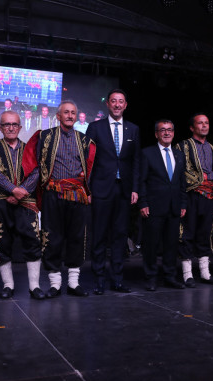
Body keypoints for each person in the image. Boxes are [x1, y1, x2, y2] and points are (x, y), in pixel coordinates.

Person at [32, 100, 95, 298]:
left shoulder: (85, 140)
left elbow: (90, 168)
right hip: (53, 193)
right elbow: (35, 163)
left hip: (77, 195)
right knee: (52, 237)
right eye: (66, 112)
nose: (70, 116)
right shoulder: (45, 136)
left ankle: (74, 283)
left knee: (77, 237)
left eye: (73, 113)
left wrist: (88, 190)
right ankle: (55, 284)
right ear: (58, 116)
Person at [86, 89, 140, 294]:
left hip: (124, 190)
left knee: (120, 236)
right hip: (100, 189)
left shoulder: (133, 129)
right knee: (99, 235)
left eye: (121, 101)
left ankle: (117, 279)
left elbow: (136, 161)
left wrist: (135, 188)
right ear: (107, 104)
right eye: (114, 101)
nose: (117, 105)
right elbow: (88, 160)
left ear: (125, 105)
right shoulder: (95, 127)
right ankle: (99, 280)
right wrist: (87, 188)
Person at [0, 111, 45, 300]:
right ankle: (8, 285)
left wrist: (21, 192)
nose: (10, 128)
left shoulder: (30, 149)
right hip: (1, 202)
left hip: (26, 202)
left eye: (14, 124)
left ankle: (34, 286)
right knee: (2, 243)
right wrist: (13, 190)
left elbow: (36, 172)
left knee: (32, 241)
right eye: (6, 124)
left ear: (20, 127)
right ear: (0, 127)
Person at [138, 119, 187, 291]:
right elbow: (141, 181)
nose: (167, 133)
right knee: (151, 245)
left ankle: (170, 277)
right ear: (156, 134)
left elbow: (182, 182)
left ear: (173, 133)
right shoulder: (147, 153)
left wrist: (183, 203)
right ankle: (150, 277)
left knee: (172, 244)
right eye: (163, 130)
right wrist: (143, 202)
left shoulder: (179, 154)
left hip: (174, 207)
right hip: (153, 207)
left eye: (170, 130)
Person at [175, 113, 213, 287]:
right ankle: (187, 274)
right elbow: (179, 172)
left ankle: (205, 273)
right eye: (200, 123)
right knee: (187, 233)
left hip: (209, 196)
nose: (204, 126)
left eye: (206, 123)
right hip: (190, 194)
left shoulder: (212, 148)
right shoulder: (182, 146)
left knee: (205, 233)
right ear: (192, 127)